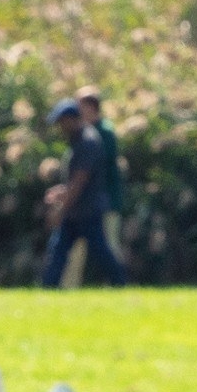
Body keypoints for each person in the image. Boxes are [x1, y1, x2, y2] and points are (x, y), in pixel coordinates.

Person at [39, 98, 126, 289]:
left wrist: (60, 210)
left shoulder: (88, 141)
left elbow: (80, 182)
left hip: (88, 210)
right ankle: (47, 289)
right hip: (77, 210)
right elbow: (76, 181)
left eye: (62, 122)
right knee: (58, 251)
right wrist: (62, 192)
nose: (60, 127)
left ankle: (121, 285)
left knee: (101, 252)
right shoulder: (79, 139)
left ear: (71, 119)